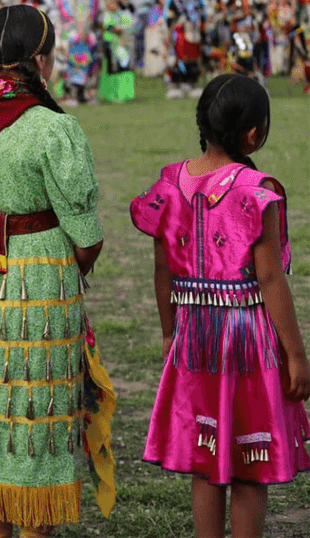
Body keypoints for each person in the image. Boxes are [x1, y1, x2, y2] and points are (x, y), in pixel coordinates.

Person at [0, 5, 116, 537]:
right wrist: (67, 262)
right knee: (37, 407)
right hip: (41, 278)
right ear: (39, 58)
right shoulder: (53, 127)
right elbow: (86, 237)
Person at [130, 74, 310, 538]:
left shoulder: (170, 184)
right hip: (248, 342)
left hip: (193, 337)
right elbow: (270, 279)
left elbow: (162, 271)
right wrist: (295, 354)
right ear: (254, 134)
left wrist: (170, 331)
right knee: (250, 465)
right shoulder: (256, 190)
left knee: (204, 459)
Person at [98, 0, 136, 103]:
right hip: (110, 43)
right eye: (111, 3)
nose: (113, 5)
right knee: (112, 69)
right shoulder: (105, 15)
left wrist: (123, 29)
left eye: (115, 3)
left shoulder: (122, 14)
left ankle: (124, 93)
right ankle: (112, 94)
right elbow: (109, 27)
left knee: (123, 68)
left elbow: (130, 25)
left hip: (122, 45)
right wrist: (119, 29)